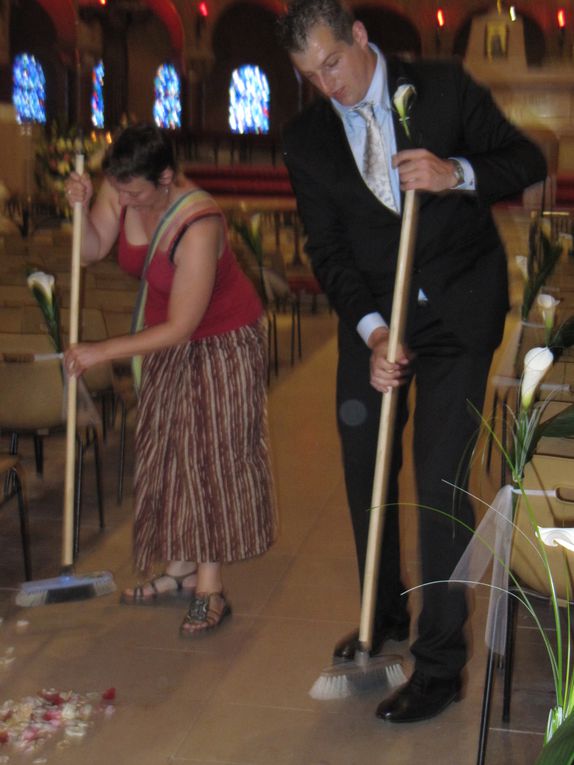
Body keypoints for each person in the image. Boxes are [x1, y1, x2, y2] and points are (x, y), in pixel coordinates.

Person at [277, 0, 546, 722]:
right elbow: (328, 251)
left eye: (333, 63)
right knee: (365, 458)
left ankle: (438, 661)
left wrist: (455, 171)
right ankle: (385, 609)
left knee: (438, 481)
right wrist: (370, 333)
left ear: (360, 38)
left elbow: (525, 159)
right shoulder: (305, 142)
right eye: (310, 75)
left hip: (460, 307)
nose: (327, 86)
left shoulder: (443, 88)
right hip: (380, 316)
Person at [64, 124, 277, 636]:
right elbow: (92, 249)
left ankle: (210, 587)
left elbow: (185, 325)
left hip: (222, 339)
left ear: (165, 178)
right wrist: (80, 205)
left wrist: (101, 351)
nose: (127, 201)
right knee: (167, 453)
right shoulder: (121, 187)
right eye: (118, 190)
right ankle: (180, 572)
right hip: (161, 335)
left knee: (209, 457)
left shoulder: (199, 223)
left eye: (135, 192)